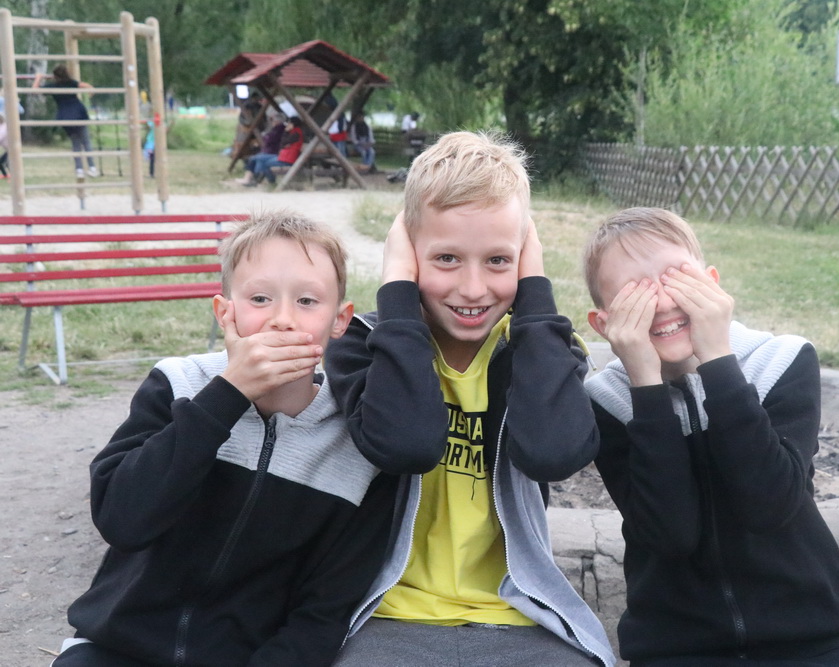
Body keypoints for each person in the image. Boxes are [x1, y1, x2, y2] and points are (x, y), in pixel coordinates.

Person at [52, 210, 396, 667]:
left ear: (340, 320)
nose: (282, 320)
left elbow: (323, 612)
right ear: (224, 312)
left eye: (307, 301)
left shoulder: (355, 439)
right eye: (260, 298)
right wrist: (228, 394)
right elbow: (121, 519)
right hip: (114, 647)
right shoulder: (178, 385)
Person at [324, 130, 615, 667]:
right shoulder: (363, 345)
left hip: (520, 615)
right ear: (408, 253)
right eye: (447, 258)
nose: (474, 288)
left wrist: (534, 294)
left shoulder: (541, 351)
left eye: (499, 260)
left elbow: (553, 453)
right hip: (385, 616)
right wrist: (397, 293)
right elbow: (406, 443)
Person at [582, 207, 839, 665]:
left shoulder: (782, 361)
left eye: (676, 278)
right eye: (636, 293)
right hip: (675, 647)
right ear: (604, 324)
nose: (663, 303)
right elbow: (671, 534)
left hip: (808, 635)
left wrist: (716, 359)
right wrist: (646, 385)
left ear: (712, 284)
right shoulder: (607, 400)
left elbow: (770, 505)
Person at [33, 65, 99, 178]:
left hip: (66, 116)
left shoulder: (53, 87)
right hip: (79, 114)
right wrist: (91, 91)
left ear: (55, 76)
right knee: (86, 142)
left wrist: (38, 78)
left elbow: (35, 91)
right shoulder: (71, 83)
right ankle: (92, 168)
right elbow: (86, 85)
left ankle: (79, 170)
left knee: (75, 144)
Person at [249, 115, 304, 186]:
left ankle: (271, 182)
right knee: (259, 158)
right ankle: (257, 181)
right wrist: (285, 144)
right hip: (283, 156)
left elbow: (283, 142)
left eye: (289, 123)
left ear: (293, 124)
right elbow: (283, 144)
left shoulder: (296, 133)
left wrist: (285, 132)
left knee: (264, 163)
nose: (287, 125)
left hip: (287, 159)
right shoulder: (293, 132)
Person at [235, 113, 285, 185]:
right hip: (272, 151)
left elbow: (269, 139)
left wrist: (265, 136)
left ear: (277, 121)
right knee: (254, 158)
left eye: (273, 120)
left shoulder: (279, 129)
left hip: (273, 152)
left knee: (256, 159)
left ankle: (252, 179)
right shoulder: (278, 129)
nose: (272, 122)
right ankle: (251, 179)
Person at [0, 114, 8, 179]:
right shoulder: (2, 126)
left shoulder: (3, 127)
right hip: (8, 150)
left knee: (9, 163)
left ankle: (14, 177)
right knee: (1, 162)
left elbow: (1, 137)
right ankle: (5, 175)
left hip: (12, 149)